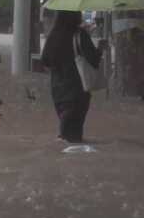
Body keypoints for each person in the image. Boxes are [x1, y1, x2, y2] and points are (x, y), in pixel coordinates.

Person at [41, 10, 106, 143]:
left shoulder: (53, 35)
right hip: (77, 88)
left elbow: (45, 60)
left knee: (66, 128)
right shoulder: (80, 35)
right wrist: (100, 48)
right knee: (75, 133)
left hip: (58, 89)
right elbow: (93, 60)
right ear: (75, 16)